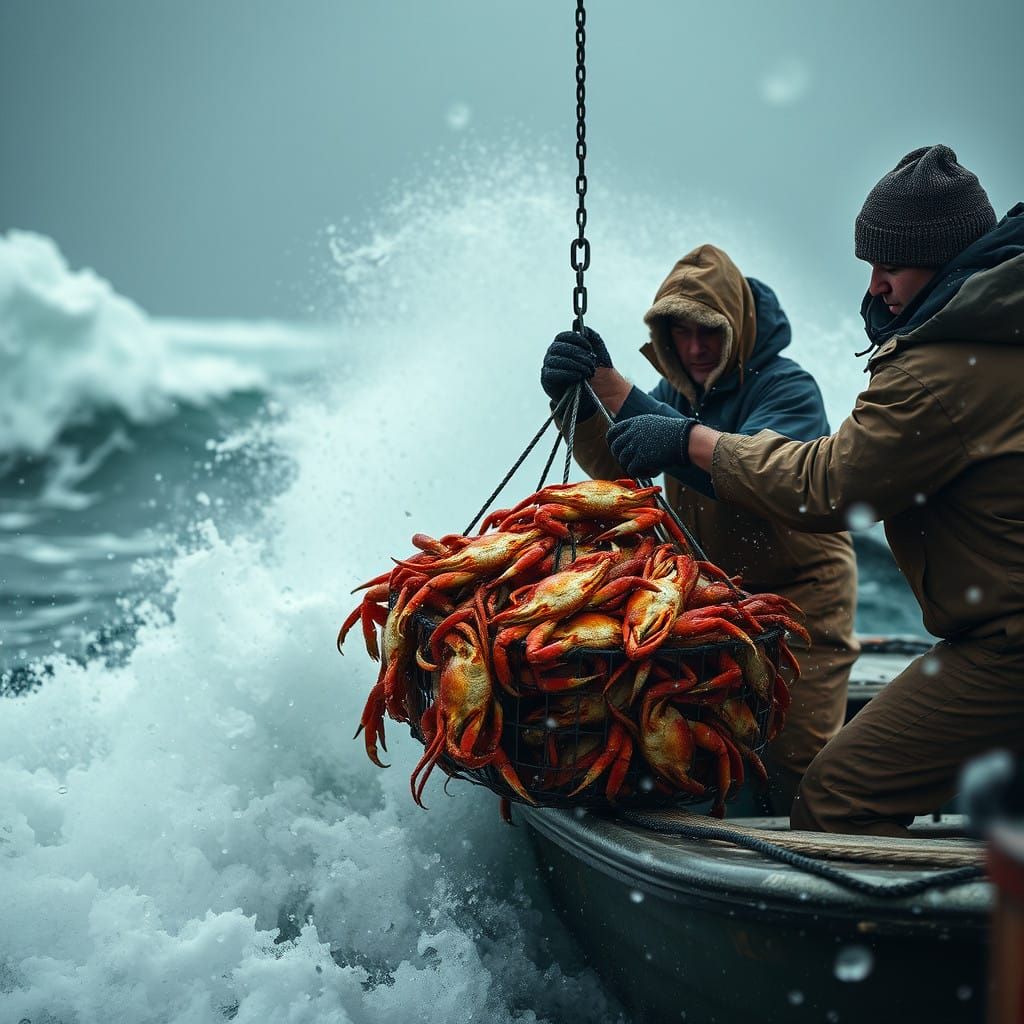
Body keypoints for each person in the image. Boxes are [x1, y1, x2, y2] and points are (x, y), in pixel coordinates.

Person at [607, 144, 1024, 837]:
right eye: (869, 266)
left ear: (946, 258)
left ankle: (904, 943)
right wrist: (595, 390)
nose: (874, 287)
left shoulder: (929, 370)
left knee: (829, 796)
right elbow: (624, 463)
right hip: (975, 633)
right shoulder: (988, 339)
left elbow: (825, 483)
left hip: (973, 643)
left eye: (890, 266)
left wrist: (687, 441)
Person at [541, 243, 859, 816]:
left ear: (737, 326)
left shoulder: (788, 390)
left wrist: (630, 399)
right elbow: (617, 469)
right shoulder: (677, 393)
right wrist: (579, 402)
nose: (696, 347)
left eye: (709, 331)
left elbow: (765, 475)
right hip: (716, 599)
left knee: (793, 763)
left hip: (801, 600)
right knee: (706, 745)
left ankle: (809, 869)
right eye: (680, 333)